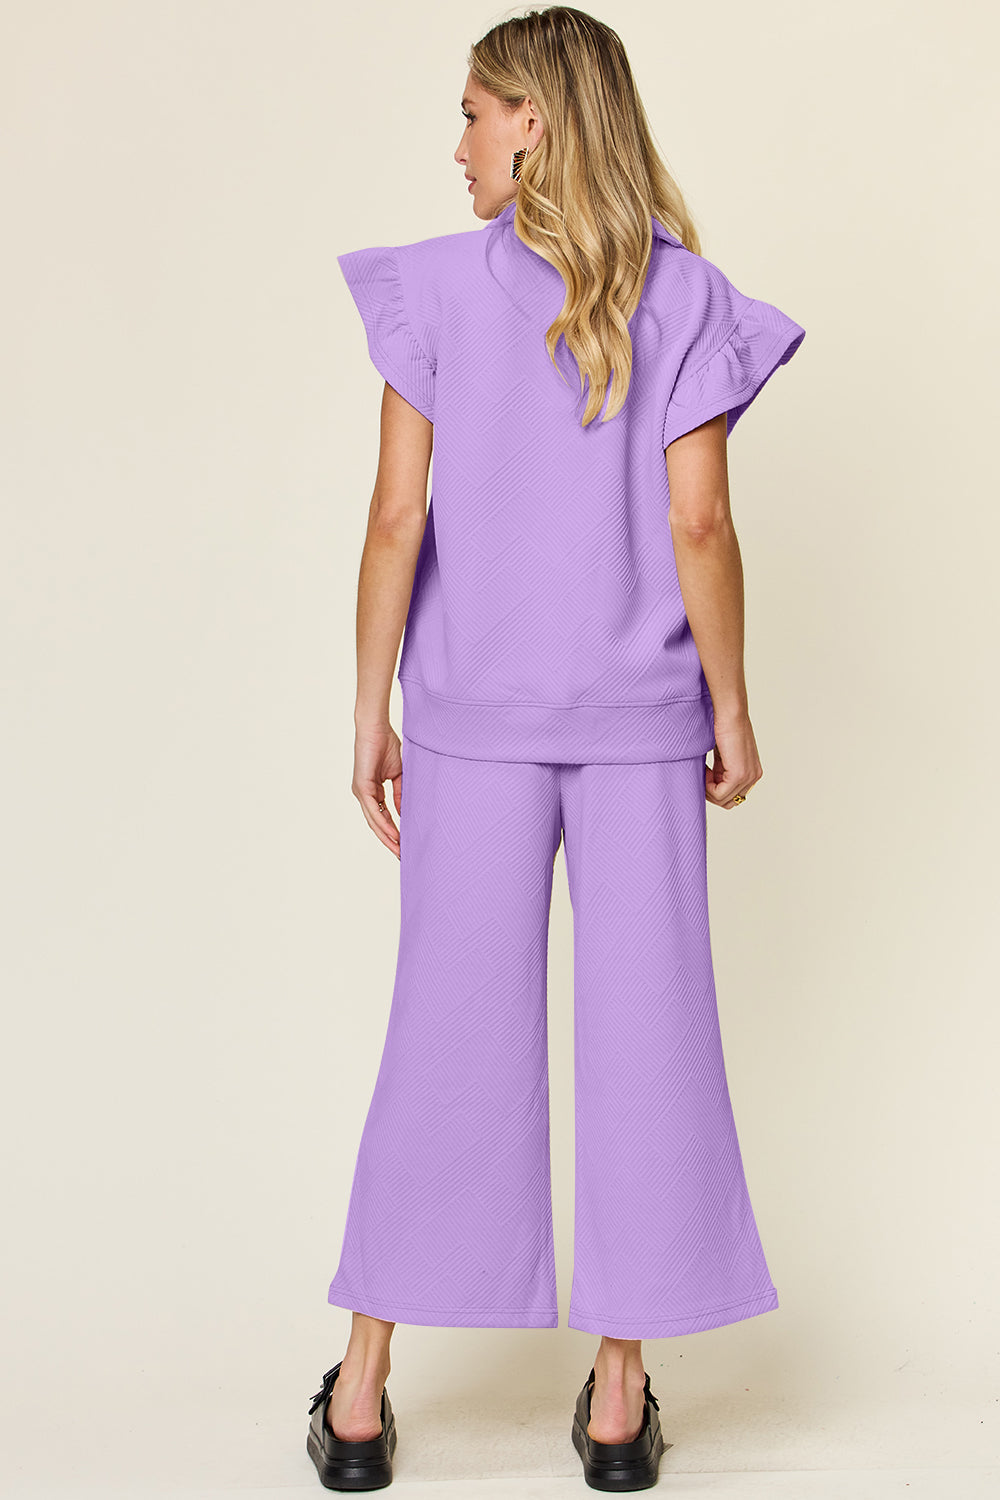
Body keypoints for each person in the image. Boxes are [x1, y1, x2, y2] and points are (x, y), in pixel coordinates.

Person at [306, 6, 805, 1491]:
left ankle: (360, 1392)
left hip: (472, 722)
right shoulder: (686, 296)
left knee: (440, 1038)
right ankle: (618, 1401)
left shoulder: (436, 295)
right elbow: (700, 524)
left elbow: (396, 518)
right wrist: (730, 706)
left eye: (474, 110)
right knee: (652, 1040)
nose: (457, 141)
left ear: (533, 119)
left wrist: (370, 711)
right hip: (641, 730)